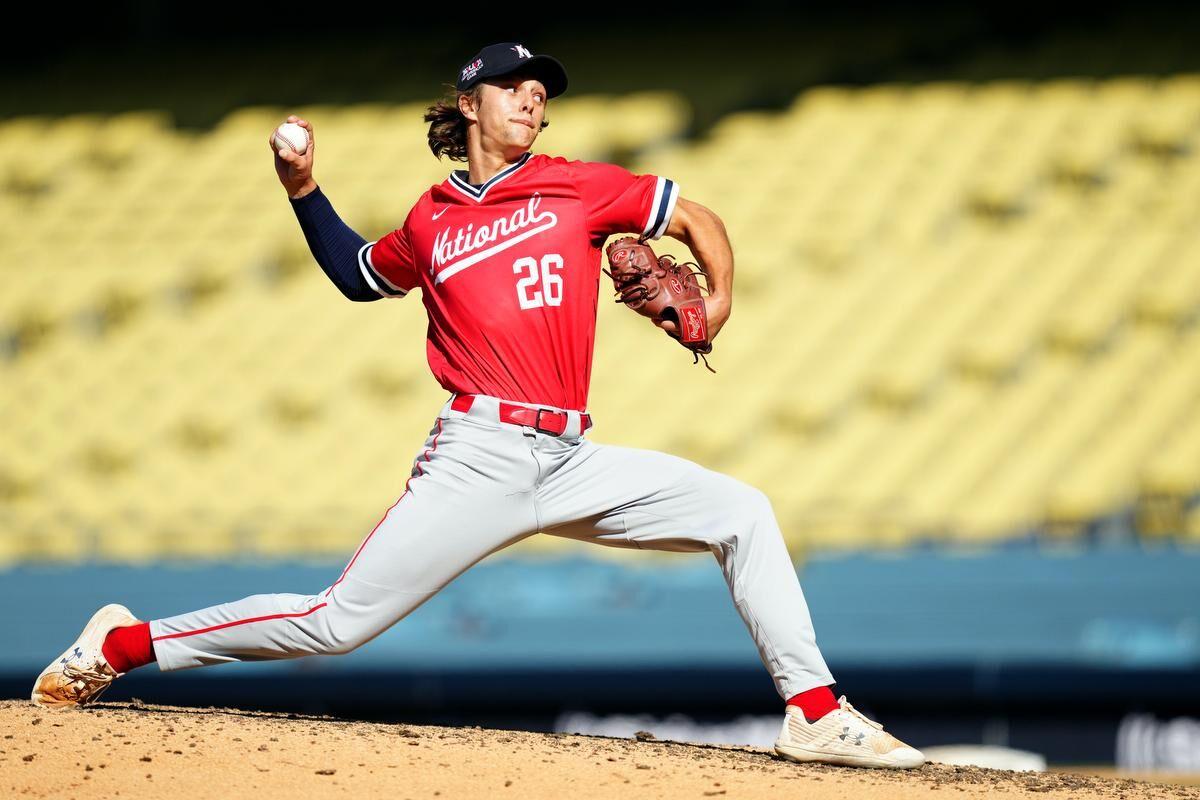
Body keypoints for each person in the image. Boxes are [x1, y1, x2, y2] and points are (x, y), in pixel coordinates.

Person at [31, 42, 924, 770]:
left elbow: (695, 218)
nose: (533, 102)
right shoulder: (429, 222)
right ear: (469, 105)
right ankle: (121, 645)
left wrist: (718, 301)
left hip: (573, 457)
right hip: (479, 454)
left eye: (542, 93)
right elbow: (355, 275)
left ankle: (814, 712)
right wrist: (303, 191)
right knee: (334, 623)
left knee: (742, 511)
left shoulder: (577, 185)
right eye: (514, 88)